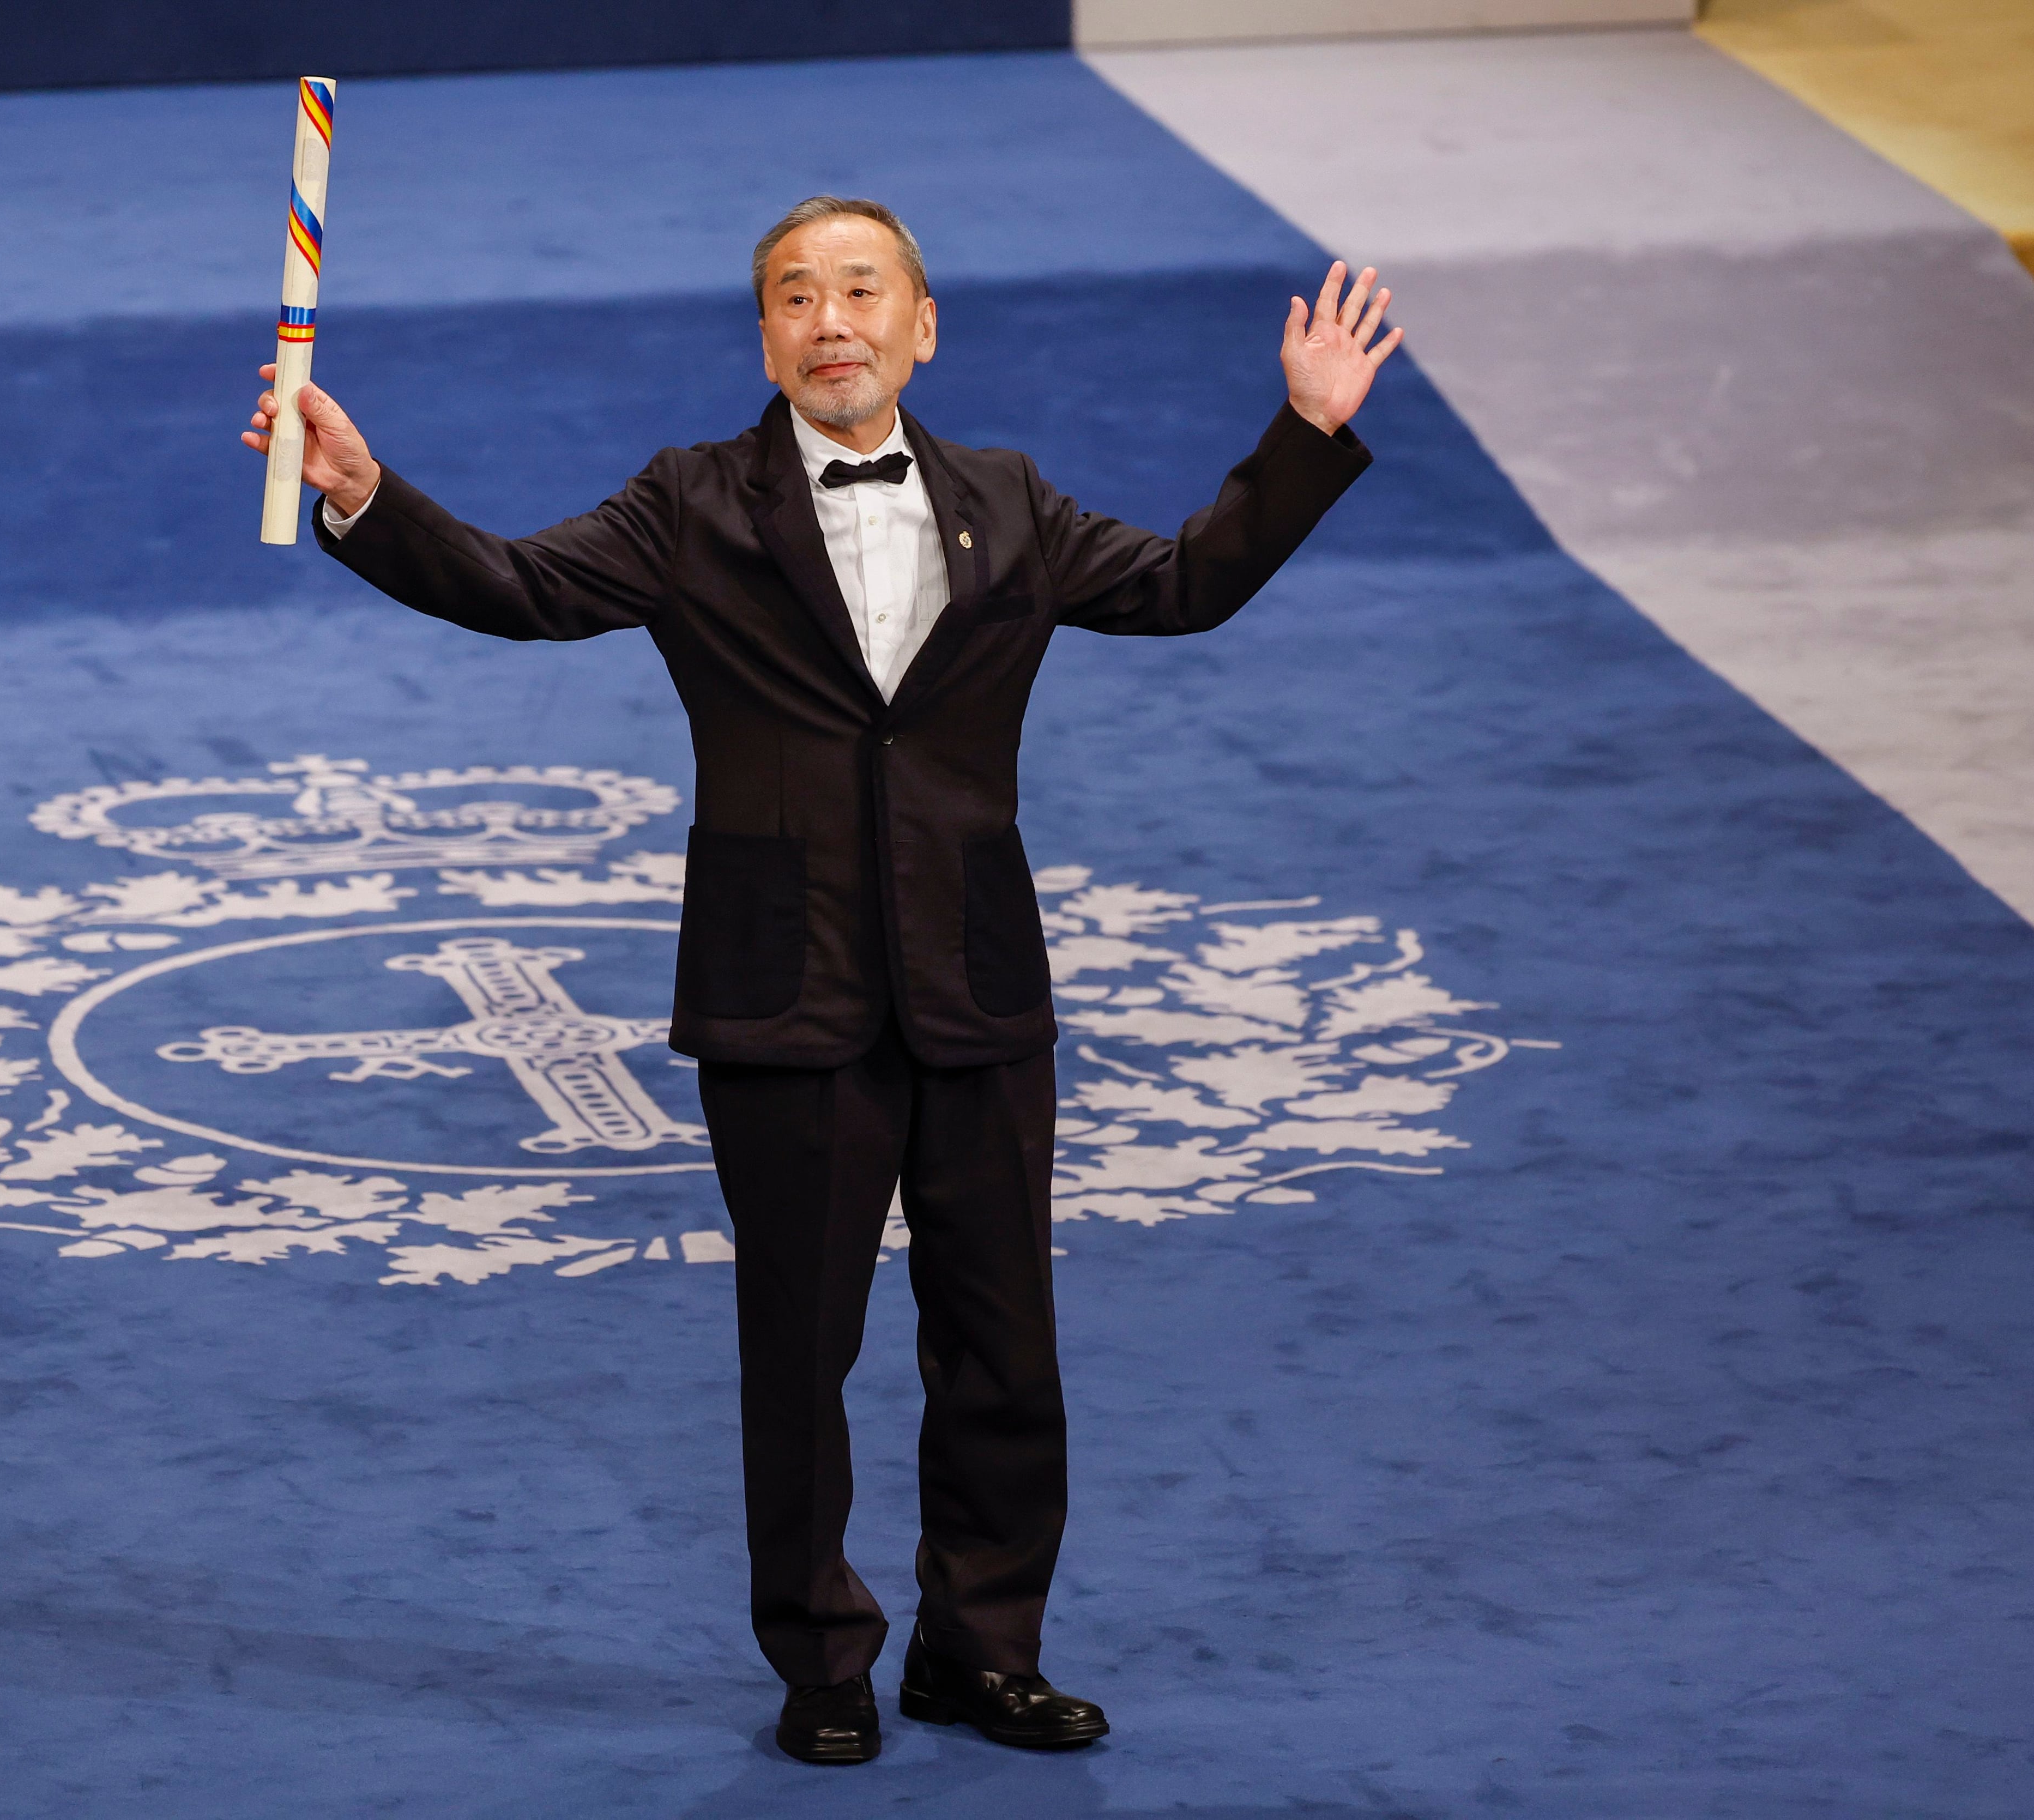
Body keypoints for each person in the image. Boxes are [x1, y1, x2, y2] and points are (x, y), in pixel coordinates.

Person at [243, 196, 1399, 1766]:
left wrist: (1307, 435)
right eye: (797, 296)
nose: (831, 318)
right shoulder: (690, 504)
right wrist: (368, 496)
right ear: (768, 336)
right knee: (800, 1350)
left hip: (978, 986)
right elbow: (521, 587)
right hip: (783, 995)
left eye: (864, 291)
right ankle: (824, 1660)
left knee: (1005, 1343)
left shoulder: (1011, 500)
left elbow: (1190, 582)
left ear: (924, 327)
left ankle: (981, 1651)